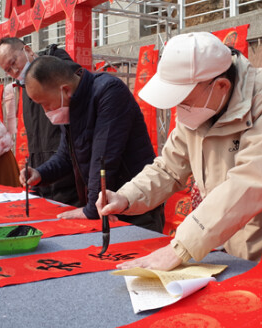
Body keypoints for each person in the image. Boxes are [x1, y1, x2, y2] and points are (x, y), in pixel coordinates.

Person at [97, 32, 262, 270]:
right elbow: (169, 168)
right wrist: (127, 197)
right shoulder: (200, 108)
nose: (180, 110)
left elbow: (252, 181)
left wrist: (182, 246)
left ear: (220, 85)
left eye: (184, 101)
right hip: (240, 246)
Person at [21, 55, 165, 233]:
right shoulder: (72, 106)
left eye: (45, 104)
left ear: (65, 90)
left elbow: (104, 159)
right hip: (104, 206)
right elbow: (66, 155)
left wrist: (90, 210)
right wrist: (40, 173)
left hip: (135, 206)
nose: (45, 111)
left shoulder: (109, 92)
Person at [0, 38, 80, 207]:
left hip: (68, 174)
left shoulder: (55, 63)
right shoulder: (24, 87)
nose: (14, 70)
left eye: (14, 63)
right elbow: (34, 138)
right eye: (8, 70)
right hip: (44, 175)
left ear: (27, 50)